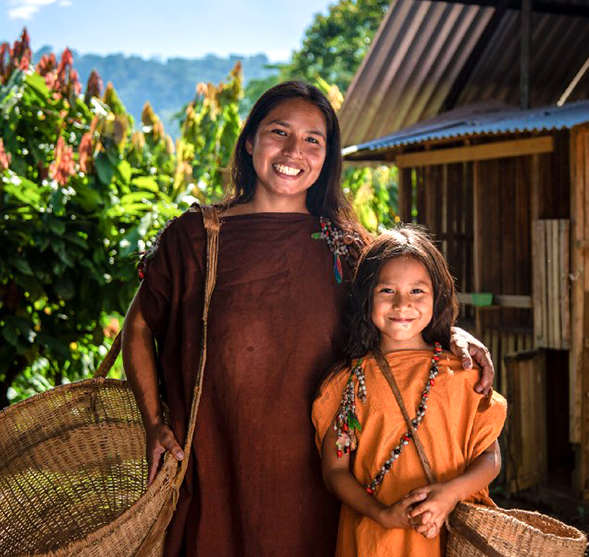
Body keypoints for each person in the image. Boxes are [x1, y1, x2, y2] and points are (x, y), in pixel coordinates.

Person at [123, 81, 495, 557]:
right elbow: (138, 326)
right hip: (215, 464)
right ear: (251, 141)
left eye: (313, 140)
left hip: (325, 476)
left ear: (327, 157)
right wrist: (155, 424)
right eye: (279, 132)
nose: (293, 151)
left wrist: (454, 333)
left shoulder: (345, 246)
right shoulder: (196, 237)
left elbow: (398, 306)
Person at [312, 226, 507, 556]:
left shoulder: (461, 374)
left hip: (448, 537)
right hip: (377, 540)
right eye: (387, 290)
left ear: (438, 297)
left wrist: (450, 494)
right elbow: (335, 470)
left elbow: (490, 457)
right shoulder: (352, 384)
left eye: (418, 291)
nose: (403, 303)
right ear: (366, 297)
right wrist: (382, 515)